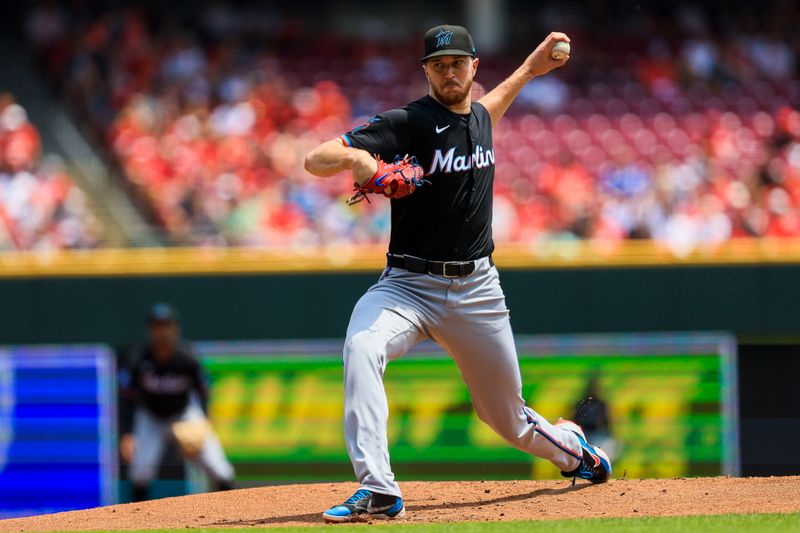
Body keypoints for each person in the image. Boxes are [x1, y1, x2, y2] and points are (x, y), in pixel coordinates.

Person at [304, 25, 611, 523]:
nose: (450, 72)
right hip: (407, 286)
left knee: (505, 418)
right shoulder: (408, 122)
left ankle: (577, 453)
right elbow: (314, 158)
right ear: (426, 71)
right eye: (439, 64)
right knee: (362, 345)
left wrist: (534, 67)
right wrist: (359, 158)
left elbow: (500, 97)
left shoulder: (482, 117)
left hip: (476, 291)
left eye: (458, 63)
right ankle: (378, 489)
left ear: (474, 67)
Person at [119, 303, 235, 501]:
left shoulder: (187, 357)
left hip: (184, 413)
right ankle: (136, 523)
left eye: (166, 326)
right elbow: (128, 397)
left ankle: (238, 514)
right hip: (151, 416)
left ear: (175, 329)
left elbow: (203, 389)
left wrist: (205, 420)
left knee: (219, 468)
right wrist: (127, 433)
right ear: (150, 330)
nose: (162, 332)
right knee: (140, 472)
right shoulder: (138, 359)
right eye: (157, 326)